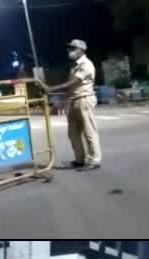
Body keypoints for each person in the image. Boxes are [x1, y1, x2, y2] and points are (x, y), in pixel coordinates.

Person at [39, 39, 103, 171]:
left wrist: (51, 89)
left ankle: (94, 160)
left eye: (73, 48)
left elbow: (72, 83)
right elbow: (68, 87)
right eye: (69, 48)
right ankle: (80, 160)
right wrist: (59, 101)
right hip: (73, 100)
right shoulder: (74, 66)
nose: (69, 51)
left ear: (82, 50)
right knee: (73, 134)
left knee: (89, 132)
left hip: (84, 99)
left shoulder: (86, 64)